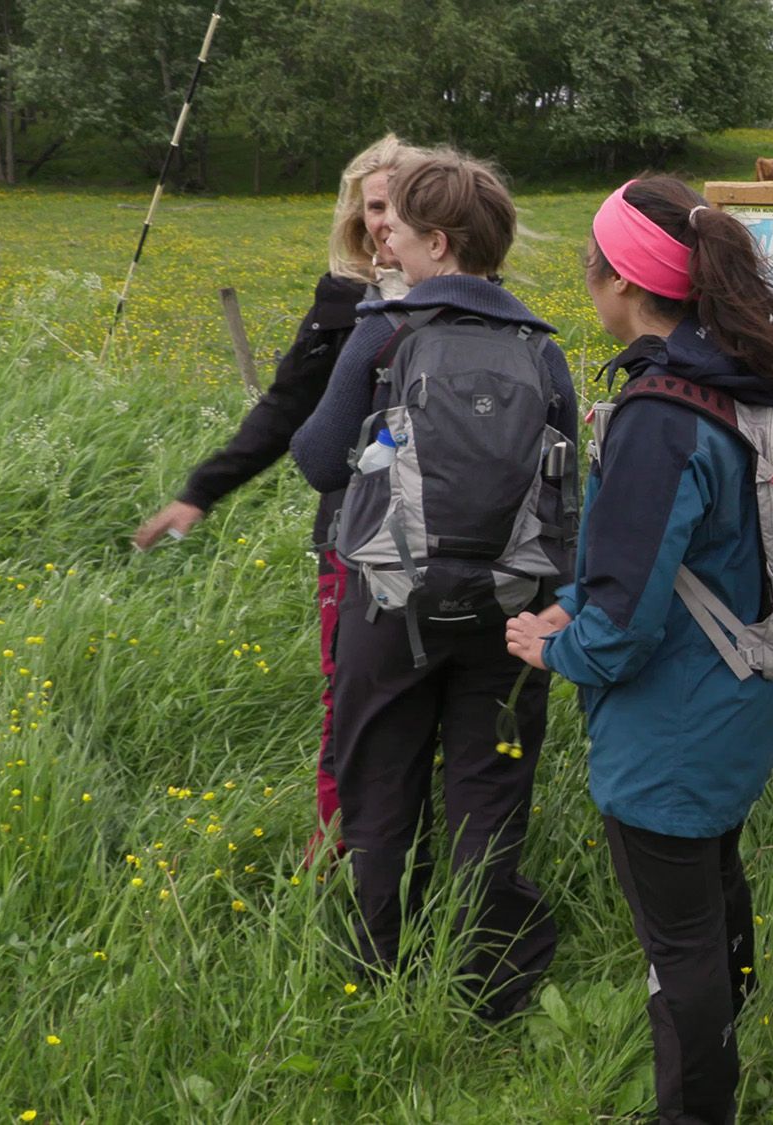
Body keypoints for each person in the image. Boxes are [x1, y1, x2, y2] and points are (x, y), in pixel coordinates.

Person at [504, 176, 773, 1124]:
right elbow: (680, 563)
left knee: (676, 938)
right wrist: (578, 606)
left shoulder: (659, 413)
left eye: (591, 266)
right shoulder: (732, 380)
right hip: (736, 689)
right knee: (714, 893)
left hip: (671, 724)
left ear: (622, 283)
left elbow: (627, 626)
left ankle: (696, 1109)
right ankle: (727, 1057)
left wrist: (554, 647)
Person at [291, 148, 574, 1021]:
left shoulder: (387, 329)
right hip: (511, 613)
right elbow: (568, 492)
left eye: (399, 230)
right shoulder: (541, 347)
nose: (387, 243)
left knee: (382, 785)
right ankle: (492, 988)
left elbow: (313, 457)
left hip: (391, 606)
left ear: (439, 244)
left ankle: (378, 976)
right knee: (489, 793)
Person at [132, 134, 424, 862]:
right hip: (353, 535)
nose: (383, 223)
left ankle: (415, 846)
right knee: (349, 695)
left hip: (454, 537)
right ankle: (339, 845)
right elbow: (286, 406)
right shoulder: (342, 304)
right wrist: (202, 490)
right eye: (373, 210)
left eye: (397, 206)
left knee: (435, 699)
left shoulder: (473, 299)